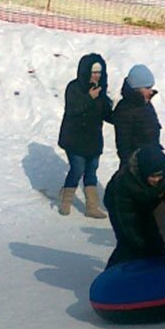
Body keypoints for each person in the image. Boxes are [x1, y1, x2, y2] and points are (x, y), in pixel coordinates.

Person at [103, 145, 165, 268]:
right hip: (118, 204)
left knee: (157, 244)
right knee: (129, 244)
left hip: (147, 201)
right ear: (144, 173)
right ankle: (111, 276)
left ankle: (158, 275)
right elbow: (129, 224)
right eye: (153, 176)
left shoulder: (164, 177)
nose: (157, 180)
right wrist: (141, 247)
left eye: (160, 175)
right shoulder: (124, 183)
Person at [56, 53, 113, 218]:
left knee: (92, 170)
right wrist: (89, 97)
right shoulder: (73, 87)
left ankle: (92, 207)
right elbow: (73, 109)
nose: (96, 76)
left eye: (99, 72)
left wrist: (123, 115)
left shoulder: (100, 91)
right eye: (94, 72)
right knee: (77, 169)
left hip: (93, 139)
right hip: (74, 138)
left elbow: (107, 114)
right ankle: (66, 201)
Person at [112, 64, 162, 163]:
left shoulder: (145, 104)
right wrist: (131, 165)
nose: (151, 91)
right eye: (147, 88)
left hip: (151, 159)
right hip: (136, 164)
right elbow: (123, 144)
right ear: (137, 89)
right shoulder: (125, 109)